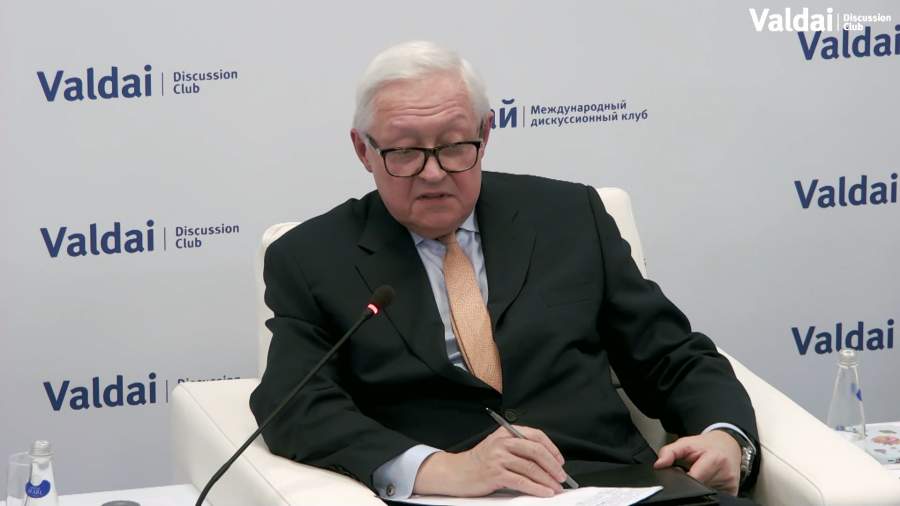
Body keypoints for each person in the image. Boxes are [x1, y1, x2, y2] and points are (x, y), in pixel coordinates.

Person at [249, 41, 759, 505]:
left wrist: (725, 436)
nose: (433, 172)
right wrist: (436, 468)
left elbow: (669, 355)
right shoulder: (312, 258)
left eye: (454, 146)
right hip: (448, 497)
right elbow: (294, 404)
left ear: (486, 133)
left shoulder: (569, 217)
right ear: (364, 150)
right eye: (404, 152)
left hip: (611, 488)